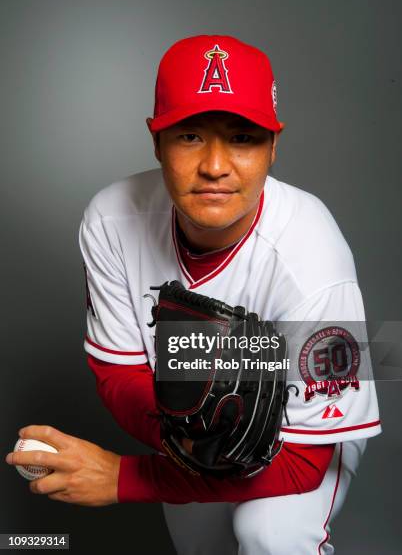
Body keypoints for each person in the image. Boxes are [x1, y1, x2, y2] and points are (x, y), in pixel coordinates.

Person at [6, 34, 381, 554]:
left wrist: (125, 478)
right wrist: (192, 441)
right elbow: (119, 372)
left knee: (270, 533)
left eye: (242, 137)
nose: (215, 166)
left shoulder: (314, 257)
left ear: (274, 145)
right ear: (155, 140)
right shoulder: (113, 219)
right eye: (189, 136)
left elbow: (302, 462)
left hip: (305, 435)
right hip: (190, 433)